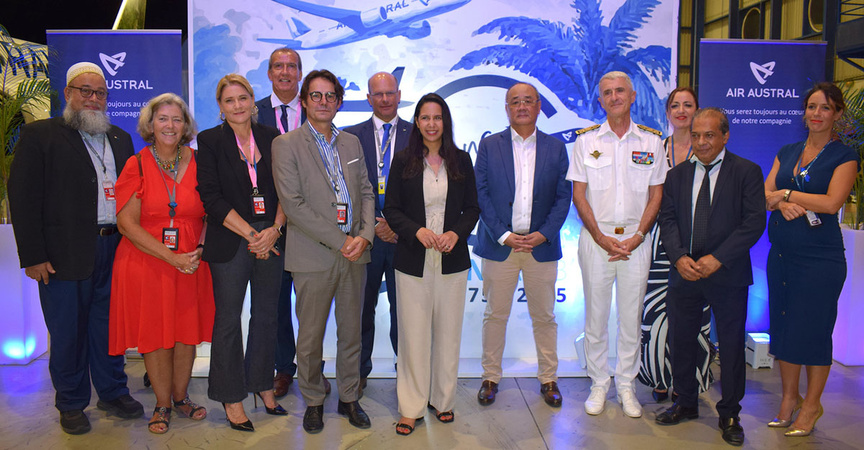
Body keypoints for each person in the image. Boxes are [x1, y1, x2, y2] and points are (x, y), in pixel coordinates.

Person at [8, 61, 144, 435]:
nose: (93, 99)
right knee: (67, 331)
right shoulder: (41, 135)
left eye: (100, 93)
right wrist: (33, 255)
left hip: (113, 249)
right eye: (85, 91)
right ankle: (70, 402)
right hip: (62, 254)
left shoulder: (120, 138)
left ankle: (113, 391)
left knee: (108, 328)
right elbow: (22, 197)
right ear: (68, 94)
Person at [271, 69, 376, 434]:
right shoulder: (286, 144)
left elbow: (366, 192)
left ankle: (349, 396)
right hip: (314, 255)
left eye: (330, 96)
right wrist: (340, 239)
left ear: (339, 102)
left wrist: (364, 235)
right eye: (316, 96)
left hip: (355, 253)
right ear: (303, 101)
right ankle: (313, 400)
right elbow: (294, 205)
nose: (324, 102)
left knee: (351, 332)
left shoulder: (351, 143)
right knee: (311, 336)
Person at [655, 108, 765, 447]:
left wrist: (718, 258)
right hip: (685, 272)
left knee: (731, 346)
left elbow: (753, 223)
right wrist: (678, 258)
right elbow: (668, 220)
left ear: (725, 136)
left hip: (727, 273)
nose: (702, 142)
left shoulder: (747, 171)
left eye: (710, 135)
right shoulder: (676, 176)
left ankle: (730, 412)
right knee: (681, 340)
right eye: (697, 135)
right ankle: (685, 401)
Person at [109, 93, 214, 434]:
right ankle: (162, 403)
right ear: (150, 126)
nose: (170, 125)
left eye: (177, 119)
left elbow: (214, 209)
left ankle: (181, 397)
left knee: (186, 334)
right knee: (156, 335)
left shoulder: (201, 161)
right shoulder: (135, 165)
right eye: (163, 119)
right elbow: (126, 224)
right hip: (149, 261)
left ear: (186, 126)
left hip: (193, 262)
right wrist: (173, 257)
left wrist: (198, 248)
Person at [567, 71, 666, 419]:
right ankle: (598, 383)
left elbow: (657, 194)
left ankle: (626, 385)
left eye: (619, 91)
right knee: (595, 317)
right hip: (598, 239)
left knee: (631, 317)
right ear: (601, 100)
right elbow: (579, 196)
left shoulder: (652, 142)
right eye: (607, 92)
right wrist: (600, 236)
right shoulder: (586, 141)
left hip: (636, 240)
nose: (614, 97)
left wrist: (638, 236)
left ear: (632, 96)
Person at [764, 82, 858, 437]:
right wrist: (782, 201)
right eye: (812, 107)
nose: (816, 114)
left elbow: (832, 203)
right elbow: (766, 192)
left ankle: (813, 405)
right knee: (785, 328)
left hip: (820, 260)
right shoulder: (787, 150)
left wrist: (787, 193)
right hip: (782, 256)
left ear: (836, 114)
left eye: (824, 108)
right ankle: (790, 399)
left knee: (814, 331)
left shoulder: (844, 156)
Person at [383, 93, 480, 436]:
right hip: (413, 259)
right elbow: (391, 210)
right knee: (413, 334)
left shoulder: (461, 161)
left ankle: (443, 400)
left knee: (448, 333)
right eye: (425, 117)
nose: (431, 124)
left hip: (452, 259)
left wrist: (456, 233)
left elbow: (472, 208)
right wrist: (417, 231)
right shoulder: (403, 161)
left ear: (445, 121)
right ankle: (410, 408)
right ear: (417, 122)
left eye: (437, 117)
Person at [197, 74, 286, 432]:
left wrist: (274, 230)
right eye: (229, 100)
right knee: (229, 320)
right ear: (221, 107)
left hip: (272, 238)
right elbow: (211, 198)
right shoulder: (210, 140)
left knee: (267, 316)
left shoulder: (272, 138)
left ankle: (262, 383)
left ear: (253, 101)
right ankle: (231, 395)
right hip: (232, 240)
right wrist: (254, 235)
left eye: (243, 98)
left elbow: (285, 190)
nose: (237, 105)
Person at [474, 82, 570, 407]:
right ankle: (490, 377)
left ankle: (549, 379)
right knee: (495, 315)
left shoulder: (557, 148)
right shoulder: (489, 146)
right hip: (501, 246)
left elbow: (563, 197)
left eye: (528, 100)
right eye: (515, 102)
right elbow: (481, 194)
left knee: (544, 316)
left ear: (539, 106)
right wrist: (504, 234)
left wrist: (543, 234)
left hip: (540, 247)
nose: (522, 106)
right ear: (507, 108)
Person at [253, 48, 330, 398]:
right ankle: (284, 368)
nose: (285, 72)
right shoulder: (252, 112)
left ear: (300, 73)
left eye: (292, 67)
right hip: (270, 223)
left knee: (313, 303)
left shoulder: (317, 109)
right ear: (269, 73)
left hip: (313, 222)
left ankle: (313, 368)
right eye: (278, 66)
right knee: (277, 300)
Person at [638, 87, 714, 402]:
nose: (681, 110)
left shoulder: (708, 151)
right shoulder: (656, 147)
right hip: (658, 240)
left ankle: (691, 381)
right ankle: (659, 377)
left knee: (696, 314)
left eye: (688, 104)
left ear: (697, 109)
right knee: (656, 312)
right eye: (675, 105)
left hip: (700, 242)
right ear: (667, 112)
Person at [344, 72, 412, 394]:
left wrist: (398, 228)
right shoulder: (349, 137)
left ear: (399, 95)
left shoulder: (418, 136)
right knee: (361, 310)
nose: (385, 99)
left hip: (404, 240)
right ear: (369, 99)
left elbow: (424, 192)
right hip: (364, 238)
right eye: (378, 94)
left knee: (407, 312)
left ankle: (409, 373)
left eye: (390, 93)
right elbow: (343, 189)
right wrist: (373, 226)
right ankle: (358, 373)